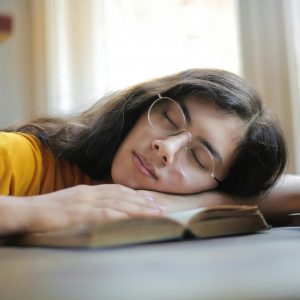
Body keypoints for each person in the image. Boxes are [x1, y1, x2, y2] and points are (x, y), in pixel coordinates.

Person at [0, 68, 298, 237]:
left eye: (198, 158)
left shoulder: (208, 192)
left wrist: (211, 201)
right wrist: (39, 211)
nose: (166, 148)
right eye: (168, 119)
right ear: (142, 108)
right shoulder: (24, 158)